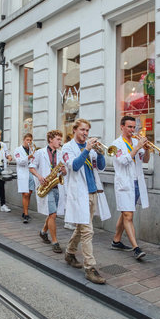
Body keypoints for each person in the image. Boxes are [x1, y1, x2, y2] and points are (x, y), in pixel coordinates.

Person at [61, 119, 111, 284]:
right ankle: (90, 267)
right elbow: (74, 166)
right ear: (75, 130)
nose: (85, 133)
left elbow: (100, 167)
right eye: (82, 130)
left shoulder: (90, 148)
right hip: (78, 194)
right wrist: (87, 149)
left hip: (92, 192)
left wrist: (101, 153)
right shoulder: (67, 148)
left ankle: (69, 252)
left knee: (82, 226)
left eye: (87, 130)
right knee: (88, 231)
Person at [111, 116, 150, 259]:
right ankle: (136, 248)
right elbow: (123, 161)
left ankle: (116, 240)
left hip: (136, 183)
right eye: (129, 127)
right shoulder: (115, 144)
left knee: (126, 213)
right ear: (122, 127)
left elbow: (145, 160)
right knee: (128, 215)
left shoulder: (135, 141)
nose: (132, 130)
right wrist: (137, 147)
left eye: (134, 127)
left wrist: (146, 149)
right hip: (124, 183)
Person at [29, 130, 66, 253]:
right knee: (53, 215)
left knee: (52, 213)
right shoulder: (40, 152)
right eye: (58, 139)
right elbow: (31, 167)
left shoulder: (61, 154)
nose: (60, 142)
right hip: (46, 185)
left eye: (60, 140)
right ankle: (55, 241)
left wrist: (63, 170)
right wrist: (39, 177)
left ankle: (43, 232)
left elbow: (65, 172)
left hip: (57, 186)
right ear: (50, 140)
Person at [14, 133, 35, 223]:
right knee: (25, 194)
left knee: (29, 193)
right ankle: (26, 214)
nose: (29, 142)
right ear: (23, 140)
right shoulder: (17, 150)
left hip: (31, 173)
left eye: (30, 140)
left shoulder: (32, 149)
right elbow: (19, 161)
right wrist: (29, 157)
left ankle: (25, 211)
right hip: (23, 173)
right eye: (27, 140)